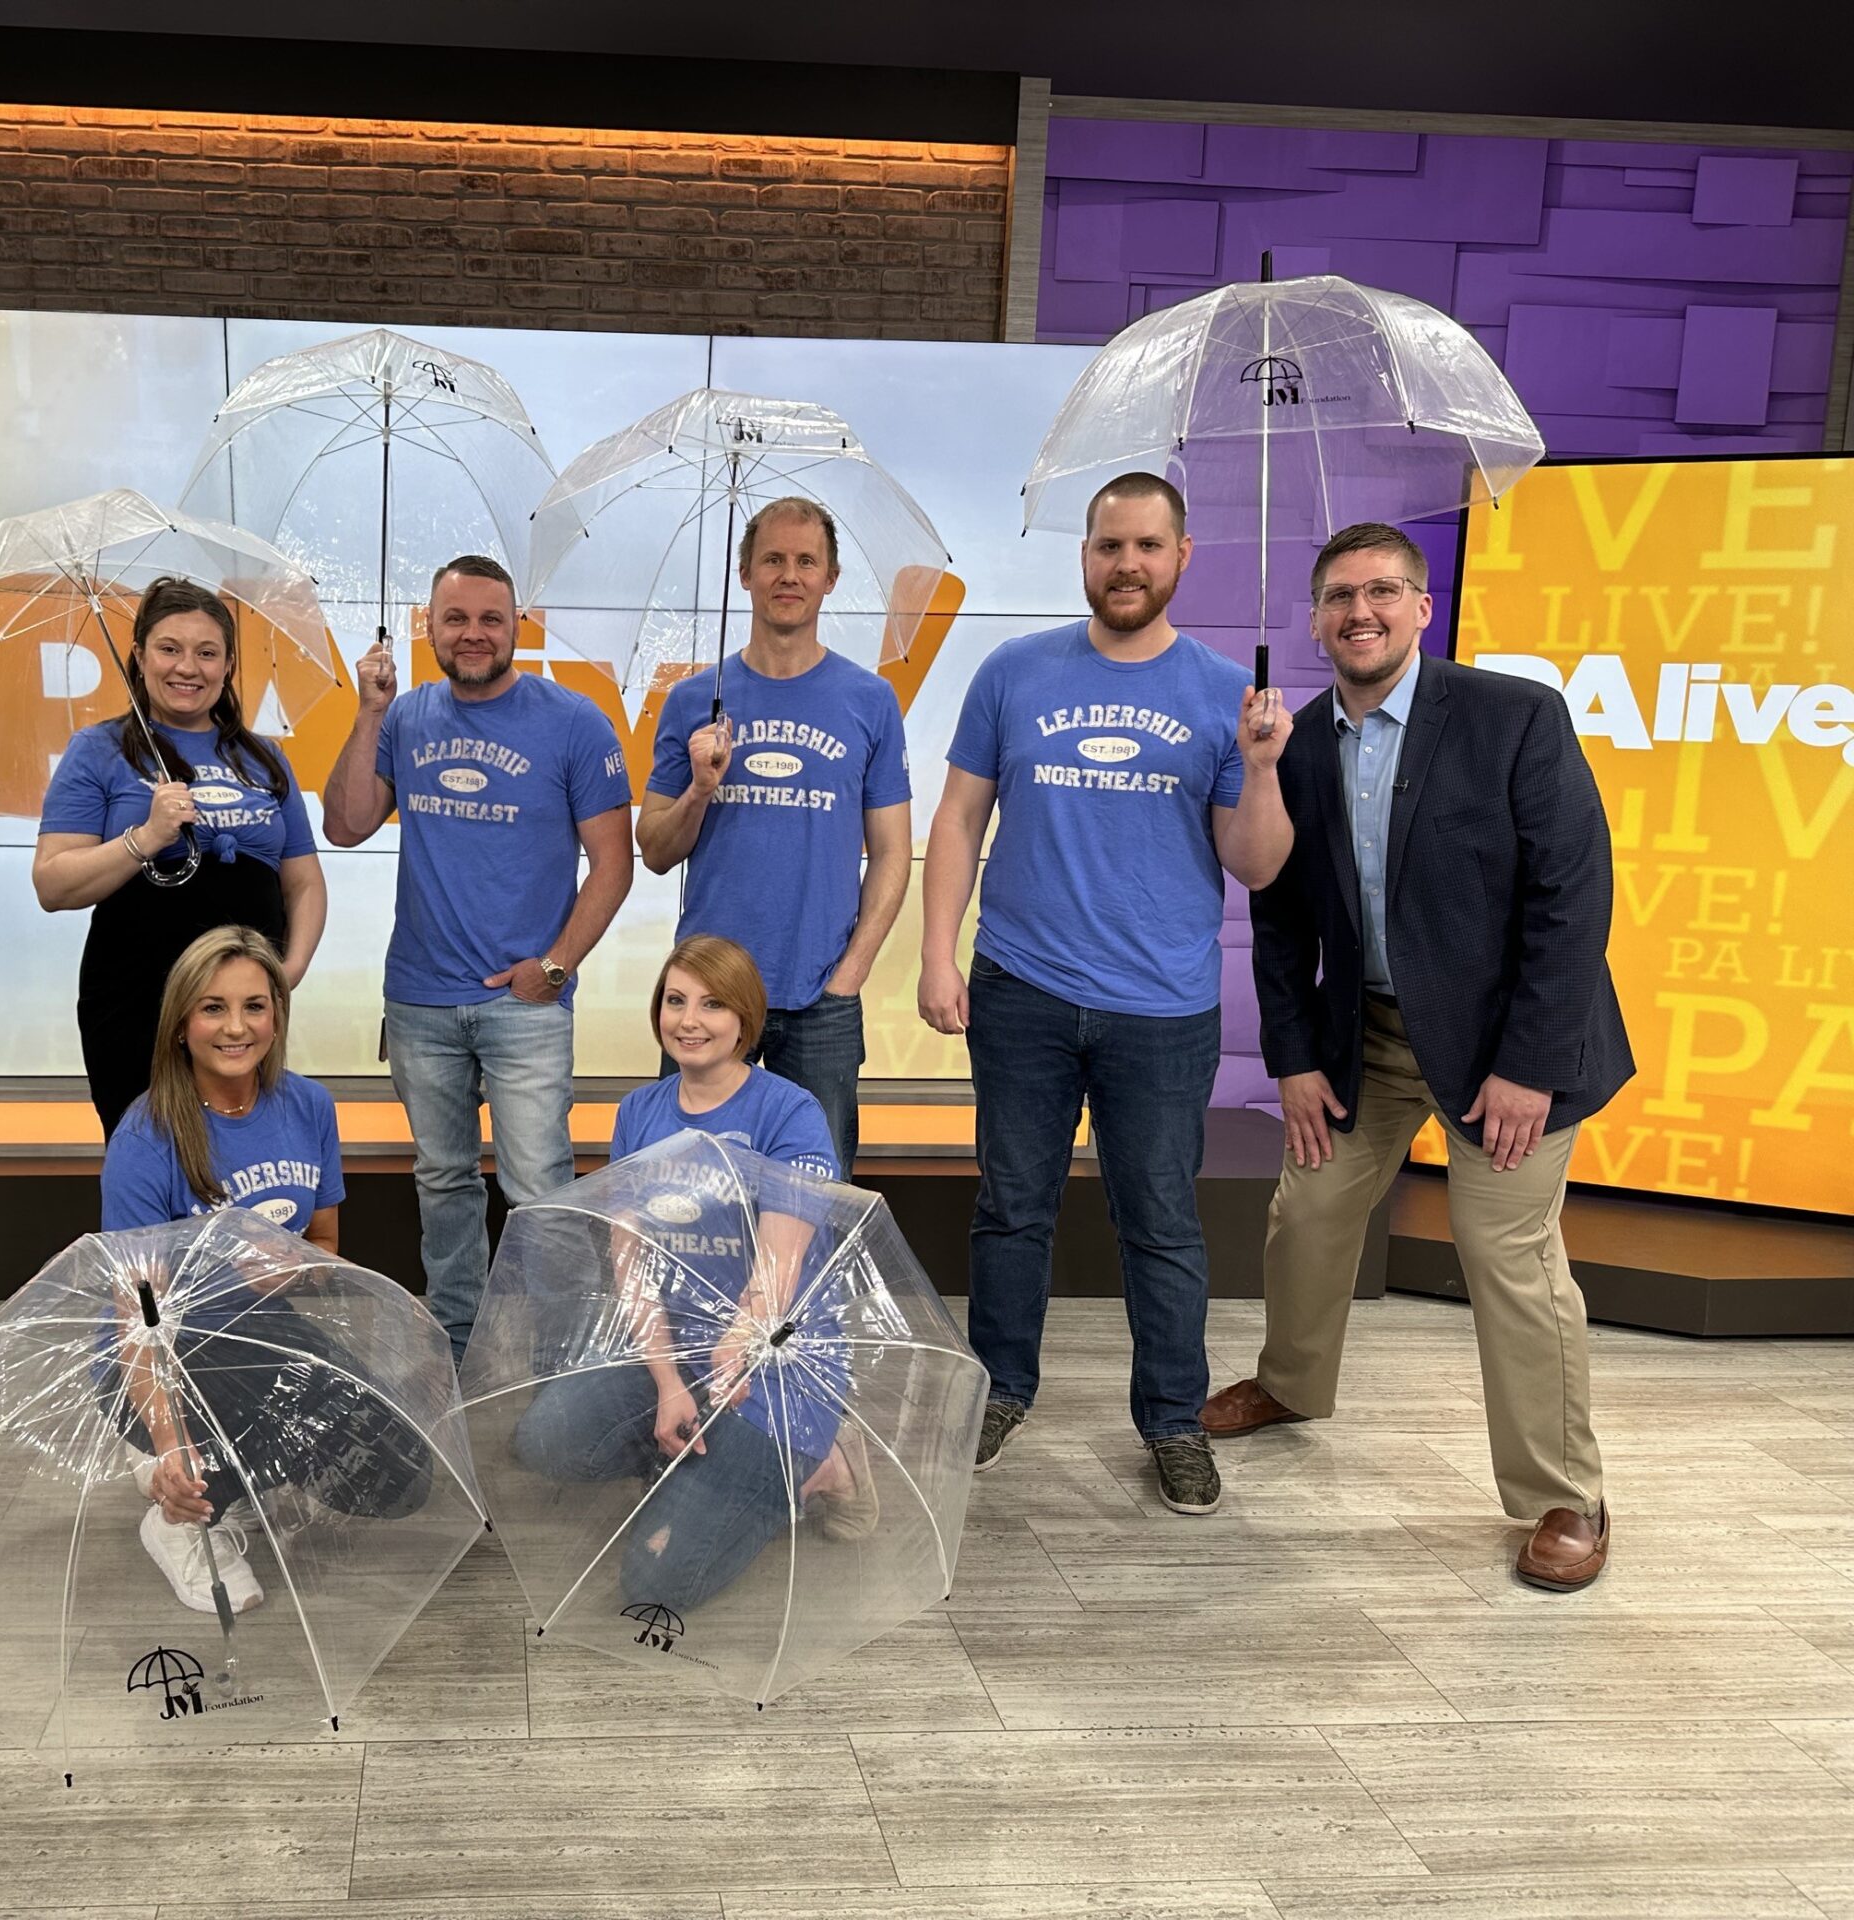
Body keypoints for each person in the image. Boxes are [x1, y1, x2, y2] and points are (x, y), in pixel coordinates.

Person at [1206, 522, 1630, 1590]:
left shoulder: (1512, 718)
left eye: (1382, 590)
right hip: (1365, 1043)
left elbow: (1572, 902)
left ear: (1421, 605)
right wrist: (1294, 1056)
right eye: (1339, 596)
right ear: (1314, 619)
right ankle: (1293, 1382)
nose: (1361, 611)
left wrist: (1529, 1064)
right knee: (1305, 1209)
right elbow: (1278, 920)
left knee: (1509, 1258)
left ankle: (1561, 1495)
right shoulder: (1294, 744)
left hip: (1506, 1051)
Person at [917, 472, 1291, 1515]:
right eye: (1107, 545)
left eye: (1146, 546)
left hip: (1161, 1010)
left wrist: (1260, 768)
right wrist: (936, 952)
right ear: (1083, 555)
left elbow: (1255, 866)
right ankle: (997, 1390)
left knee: (1161, 1224)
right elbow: (956, 821)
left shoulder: (1226, 694)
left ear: (1180, 558)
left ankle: (1172, 1418)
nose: (1125, 563)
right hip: (1022, 990)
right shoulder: (1013, 671)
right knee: (1011, 1210)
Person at [322, 554, 634, 1361]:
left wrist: (555, 967)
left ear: (516, 629)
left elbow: (615, 864)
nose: (473, 634)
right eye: (455, 619)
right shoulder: (405, 717)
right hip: (419, 1001)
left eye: (490, 619)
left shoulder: (574, 722)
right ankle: (458, 1341)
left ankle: (558, 1357)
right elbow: (347, 823)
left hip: (523, 1005)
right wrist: (367, 711)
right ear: (428, 627)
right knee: (444, 1182)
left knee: (539, 1191)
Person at [511, 936, 871, 1612]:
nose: (689, 1020)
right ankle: (696, 1454)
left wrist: (732, 1352)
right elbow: (631, 1262)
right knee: (546, 1440)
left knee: (656, 1583)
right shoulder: (639, 1113)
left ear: (745, 1018)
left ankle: (815, 1466)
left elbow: (779, 1268)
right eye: (675, 1001)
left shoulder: (788, 1111)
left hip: (773, 1364)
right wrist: (670, 1383)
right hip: (682, 1352)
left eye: (712, 1004)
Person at [96, 926, 429, 1614]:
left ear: (278, 1015)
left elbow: (326, 1244)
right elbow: (137, 1315)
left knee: (400, 1479)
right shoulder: (145, 1137)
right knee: (221, 1434)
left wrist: (297, 1271)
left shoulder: (308, 1106)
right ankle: (183, 1515)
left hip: (263, 1332)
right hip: (159, 1354)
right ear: (181, 1025)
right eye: (213, 1008)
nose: (235, 1026)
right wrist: (167, 1442)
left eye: (254, 1005)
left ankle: (236, 1471)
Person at [636, 498, 912, 1177]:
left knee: (815, 1200)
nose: (789, 575)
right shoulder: (693, 699)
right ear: (745, 575)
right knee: (687, 1192)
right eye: (773, 561)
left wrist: (850, 976)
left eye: (805, 561)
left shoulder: (869, 699)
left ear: (830, 578)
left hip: (821, 997)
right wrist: (700, 789)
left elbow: (894, 853)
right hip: (709, 992)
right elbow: (654, 847)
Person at [34, 577, 325, 1136]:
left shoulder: (265, 758)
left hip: (242, 1016)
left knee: (242, 1166)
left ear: (229, 664)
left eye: (206, 652)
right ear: (139, 656)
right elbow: (52, 884)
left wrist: (287, 974)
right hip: (136, 1006)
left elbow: (305, 882)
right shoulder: (99, 749)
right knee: (152, 1165)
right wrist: (144, 837)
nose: (187, 667)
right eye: (169, 649)